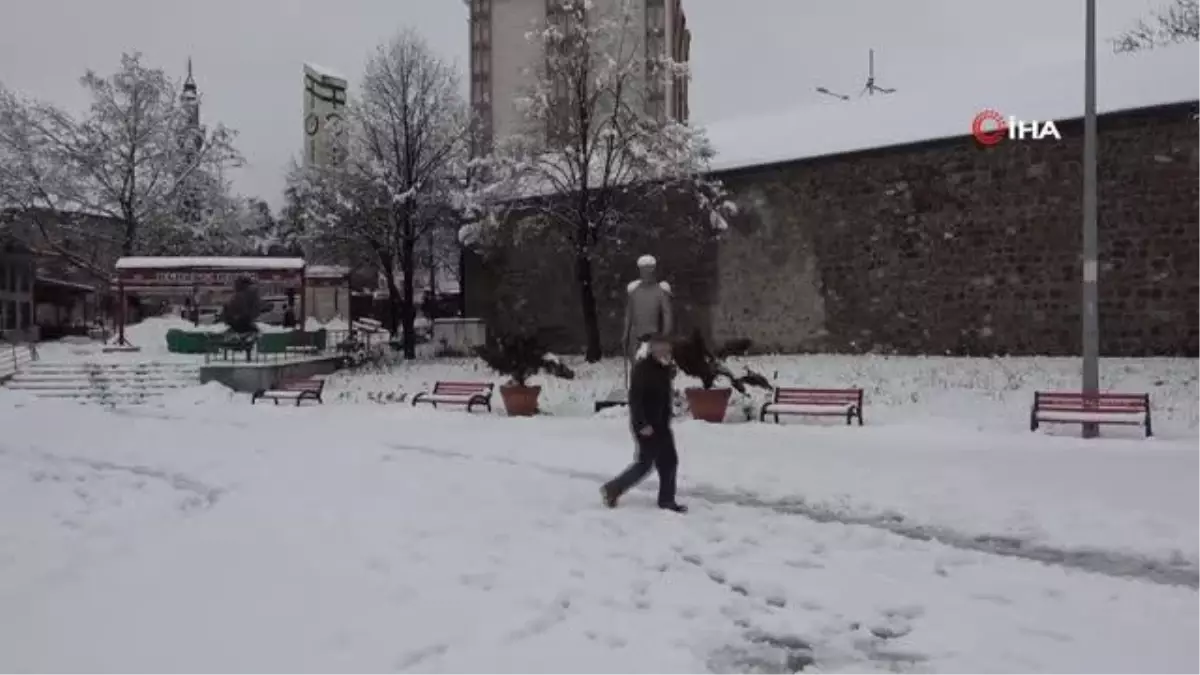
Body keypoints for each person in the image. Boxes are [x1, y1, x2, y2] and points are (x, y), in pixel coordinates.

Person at [600, 333, 688, 513]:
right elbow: (635, 399)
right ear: (652, 348)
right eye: (660, 347)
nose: (665, 350)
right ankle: (612, 489)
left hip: (661, 424)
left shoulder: (663, 368)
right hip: (647, 425)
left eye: (667, 347)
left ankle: (666, 500)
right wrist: (641, 424)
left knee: (669, 461)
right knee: (645, 463)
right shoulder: (643, 369)